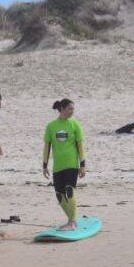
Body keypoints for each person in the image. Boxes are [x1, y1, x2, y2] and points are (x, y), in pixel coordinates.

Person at [42, 98, 86, 231]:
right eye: (69, 109)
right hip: (58, 166)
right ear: (62, 109)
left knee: (70, 191)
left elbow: (80, 146)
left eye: (73, 109)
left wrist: (82, 165)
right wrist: (44, 165)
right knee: (59, 194)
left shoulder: (75, 125)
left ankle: (71, 223)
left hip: (71, 164)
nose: (72, 111)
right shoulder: (51, 126)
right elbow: (47, 146)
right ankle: (72, 219)